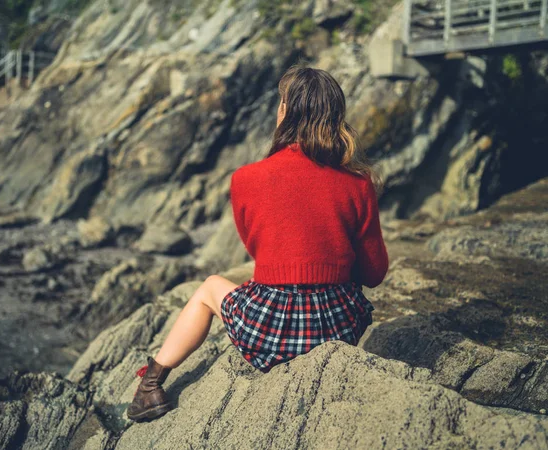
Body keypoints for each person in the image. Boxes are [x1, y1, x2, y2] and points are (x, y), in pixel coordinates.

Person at [126, 64, 389, 422]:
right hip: (336, 329)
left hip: (271, 333)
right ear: (335, 118)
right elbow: (374, 273)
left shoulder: (247, 178)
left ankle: (150, 387)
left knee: (208, 289)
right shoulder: (358, 183)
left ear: (285, 112)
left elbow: (261, 252)